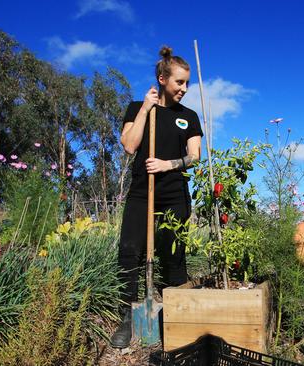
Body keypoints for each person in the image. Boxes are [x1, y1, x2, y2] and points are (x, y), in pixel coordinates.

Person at [110, 46, 203, 348]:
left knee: (173, 255)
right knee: (129, 251)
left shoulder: (188, 116)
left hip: (175, 194)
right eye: (179, 83)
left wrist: (167, 164)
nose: (184, 89)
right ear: (162, 79)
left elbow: (194, 156)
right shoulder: (138, 107)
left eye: (187, 83)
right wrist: (145, 110)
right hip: (141, 193)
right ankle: (127, 317)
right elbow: (129, 145)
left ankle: (178, 318)